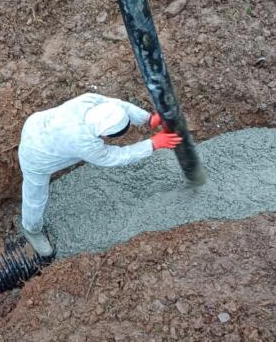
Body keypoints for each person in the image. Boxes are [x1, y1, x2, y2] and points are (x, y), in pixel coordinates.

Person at [18, 93, 182, 256]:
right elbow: (117, 157)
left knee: (62, 150)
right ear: (104, 135)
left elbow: (120, 104)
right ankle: (31, 229)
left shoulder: (89, 100)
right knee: (35, 196)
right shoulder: (85, 143)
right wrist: (152, 144)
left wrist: (147, 119)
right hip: (35, 156)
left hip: (36, 123)